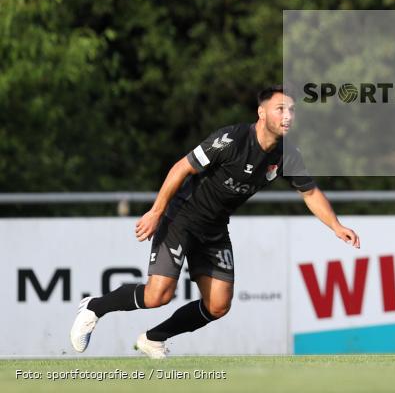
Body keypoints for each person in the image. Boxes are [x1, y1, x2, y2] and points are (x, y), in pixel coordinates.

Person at [70, 84, 359, 358]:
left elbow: (310, 193)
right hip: (182, 218)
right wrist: (156, 211)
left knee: (218, 305)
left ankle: (154, 338)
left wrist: (336, 226)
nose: (288, 116)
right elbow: (181, 168)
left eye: (292, 110)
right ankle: (94, 307)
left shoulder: (288, 155)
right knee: (158, 295)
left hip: (215, 228)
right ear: (261, 112)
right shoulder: (231, 140)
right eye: (280, 109)